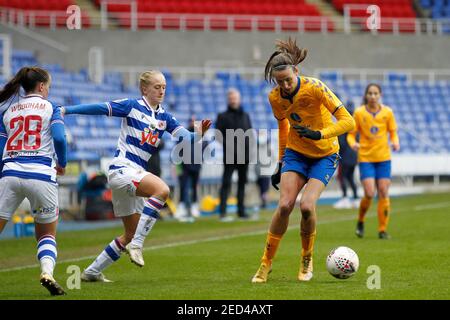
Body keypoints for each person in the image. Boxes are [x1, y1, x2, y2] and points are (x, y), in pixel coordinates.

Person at [61, 70, 211, 281]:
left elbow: (187, 138)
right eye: (157, 87)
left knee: (129, 233)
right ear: (144, 89)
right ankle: (138, 245)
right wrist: (67, 110)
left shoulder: (164, 117)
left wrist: (198, 134)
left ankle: (91, 272)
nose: (161, 91)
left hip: (135, 173)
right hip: (122, 169)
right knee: (162, 190)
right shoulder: (131, 106)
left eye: (164, 87)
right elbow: (100, 108)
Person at [252, 38, 355, 283]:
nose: (285, 85)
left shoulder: (316, 87)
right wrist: (280, 162)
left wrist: (321, 134)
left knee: (307, 206)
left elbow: (348, 121)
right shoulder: (275, 97)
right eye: (280, 82)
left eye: (288, 79)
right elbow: (283, 128)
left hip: (325, 154)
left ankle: (306, 260)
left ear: (296, 71)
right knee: (285, 205)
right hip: (296, 154)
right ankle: (265, 264)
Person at [0, 67, 67, 295]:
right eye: (48, 86)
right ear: (41, 86)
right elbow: (59, 137)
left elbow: (1, 147)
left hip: (9, 173)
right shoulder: (51, 107)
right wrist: (63, 163)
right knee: (47, 234)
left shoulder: (8, 111)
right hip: (41, 174)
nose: (48, 90)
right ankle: (47, 272)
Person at [347, 83, 400, 239]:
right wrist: (353, 143)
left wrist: (395, 142)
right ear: (366, 95)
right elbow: (350, 134)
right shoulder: (359, 113)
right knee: (369, 193)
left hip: (384, 158)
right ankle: (361, 221)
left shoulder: (388, 112)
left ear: (380, 95)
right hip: (366, 158)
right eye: (370, 93)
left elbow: (393, 132)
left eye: (375, 93)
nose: (373, 96)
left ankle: (382, 230)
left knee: (383, 192)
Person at [215, 88, 253, 221]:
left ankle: (241, 212)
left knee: (242, 183)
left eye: (235, 98)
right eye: (231, 98)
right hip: (230, 155)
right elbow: (218, 135)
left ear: (239, 99)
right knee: (226, 183)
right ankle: (223, 213)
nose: (233, 100)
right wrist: (231, 146)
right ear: (228, 100)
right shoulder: (222, 116)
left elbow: (249, 134)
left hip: (244, 155)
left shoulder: (246, 115)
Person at [176, 115, 203, 222]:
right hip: (185, 165)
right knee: (183, 187)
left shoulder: (200, 136)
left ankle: (194, 206)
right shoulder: (184, 135)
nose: (193, 123)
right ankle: (181, 207)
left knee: (194, 186)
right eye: (192, 121)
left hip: (196, 165)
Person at [333, 100, 359, 209]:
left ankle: (345, 198)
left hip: (345, 156)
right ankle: (356, 198)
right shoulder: (355, 123)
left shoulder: (344, 122)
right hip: (354, 155)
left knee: (342, 177)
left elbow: (342, 142)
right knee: (350, 177)